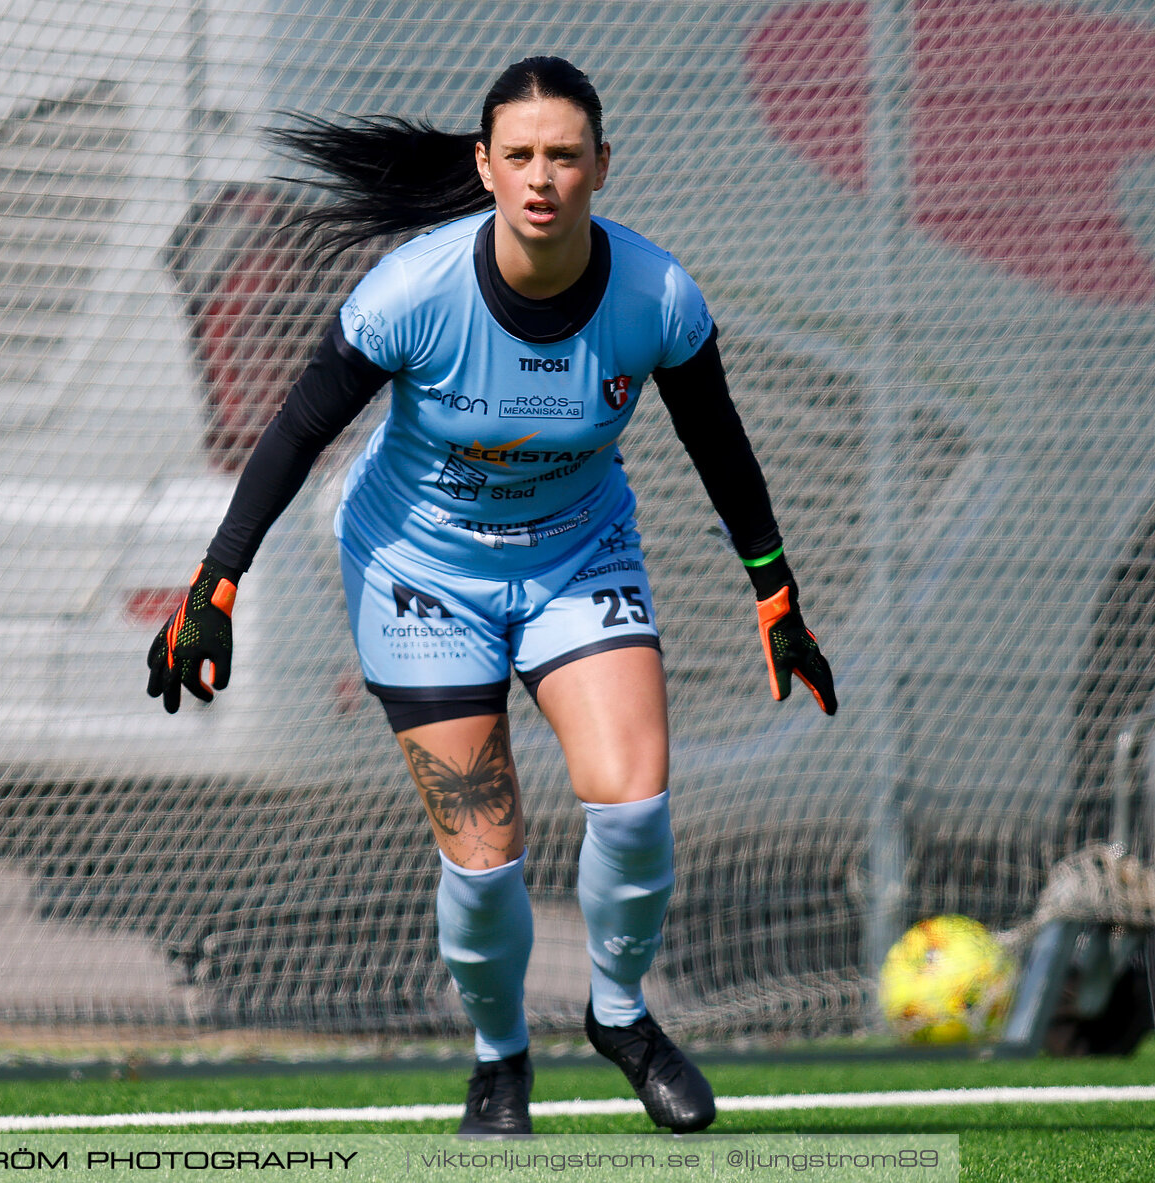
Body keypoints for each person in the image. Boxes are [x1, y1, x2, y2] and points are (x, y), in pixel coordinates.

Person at [146, 56, 836, 1136]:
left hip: (577, 558)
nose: (542, 178)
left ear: (603, 166)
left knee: (636, 799)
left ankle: (620, 1017)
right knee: (486, 850)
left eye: (565, 155)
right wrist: (212, 586)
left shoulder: (657, 297)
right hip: (420, 573)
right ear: (484, 166)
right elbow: (294, 433)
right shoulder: (413, 293)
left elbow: (720, 443)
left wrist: (775, 593)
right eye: (519, 156)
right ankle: (499, 1059)